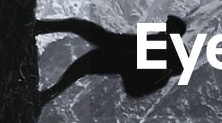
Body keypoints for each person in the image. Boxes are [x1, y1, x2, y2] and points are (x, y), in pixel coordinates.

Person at [35, 14, 187, 110]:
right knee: (81, 66)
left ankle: (40, 27)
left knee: (78, 31)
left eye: (168, 25)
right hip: (125, 64)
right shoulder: (170, 62)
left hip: (121, 57)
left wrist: (109, 39)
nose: (164, 26)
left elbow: (128, 43)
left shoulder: (166, 42)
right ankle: (45, 97)